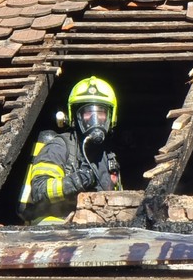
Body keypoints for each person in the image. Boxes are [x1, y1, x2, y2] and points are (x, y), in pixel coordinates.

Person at [18, 76, 121, 224]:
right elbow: (39, 190)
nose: (94, 118)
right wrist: (76, 181)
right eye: (87, 113)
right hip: (51, 226)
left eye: (101, 113)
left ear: (111, 117)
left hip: (92, 229)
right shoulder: (60, 146)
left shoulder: (108, 157)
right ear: (76, 116)